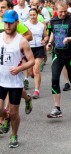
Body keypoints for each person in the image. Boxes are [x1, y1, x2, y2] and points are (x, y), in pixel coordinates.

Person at [0, 10, 34, 148]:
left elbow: (31, 61)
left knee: (14, 112)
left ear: (16, 23)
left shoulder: (22, 41)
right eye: (5, 22)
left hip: (15, 82)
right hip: (0, 80)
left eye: (10, 23)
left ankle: (14, 135)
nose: (7, 25)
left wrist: (19, 69)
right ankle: (6, 117)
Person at [24, 8, 48, 99]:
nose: (32, 17)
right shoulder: (25, 24)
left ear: (37, 15)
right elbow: (22, 36)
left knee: (36, 69)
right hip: (28, 49)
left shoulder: (41, 25)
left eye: (34, 15)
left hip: (39, 49)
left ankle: (36, 91)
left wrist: (44, 40)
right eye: (31, 15)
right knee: (31, 73)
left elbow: (46, 36)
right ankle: (34, 77)